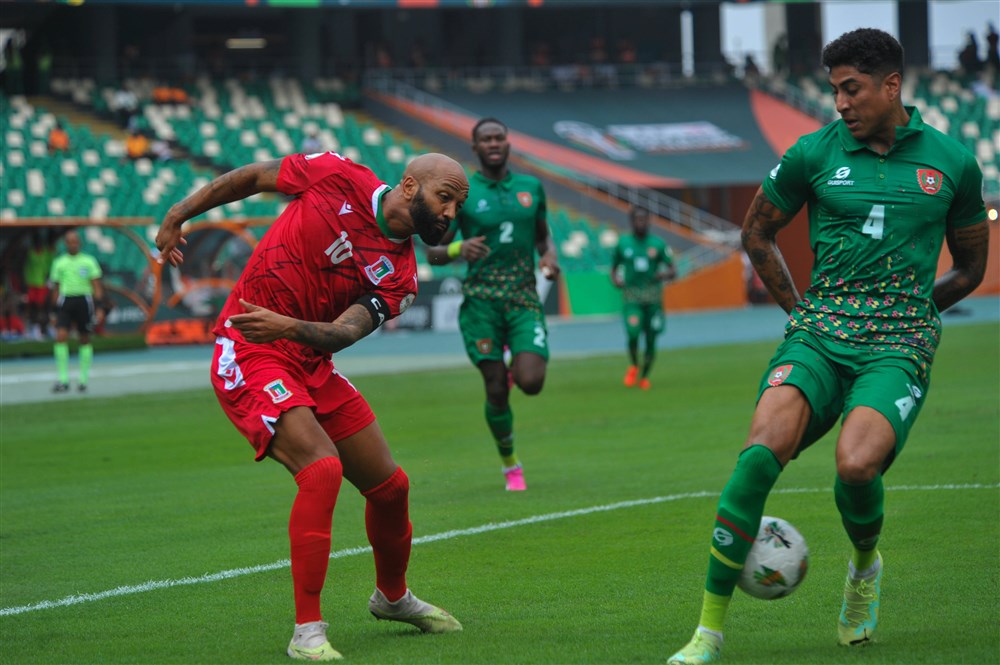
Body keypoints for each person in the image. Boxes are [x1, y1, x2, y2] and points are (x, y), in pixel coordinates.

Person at [667, 28, 989, 664]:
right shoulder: (812, 153)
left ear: (891, 86)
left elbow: (971, 268)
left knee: (856, 465)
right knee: (755, 460)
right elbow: (756, 233)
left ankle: (864, 569)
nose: (840, 102)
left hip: (898, 342)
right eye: (834, 89)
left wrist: (915, 315)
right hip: (820, 333)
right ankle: (707, 634)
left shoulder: (953, 162)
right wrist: (800, 313)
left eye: (852, 88)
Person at [155, 150, 469, 662]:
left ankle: (392, 598)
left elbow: (344, 332)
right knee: (321, 471)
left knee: (391, 488)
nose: (450, 213)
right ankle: (307, 632)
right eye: (445, 198)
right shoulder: (335, 173)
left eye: (457, 206)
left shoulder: (401, 277)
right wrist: (179, 213)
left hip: (309, 359)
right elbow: (254, 177)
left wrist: (289, 327)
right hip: (250, 350)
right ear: (410, 186)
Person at [426, 117, 560, 491]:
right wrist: (459, 247)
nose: (493, 143)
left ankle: (516, 361)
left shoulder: (531, 188)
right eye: (485, 139)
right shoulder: (463, 193)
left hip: (523, 299)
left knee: (531, 382)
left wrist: (549, 256)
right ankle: (510, 465)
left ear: (508, 143)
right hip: (481, 303)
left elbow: (543, 239)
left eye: (499, 137)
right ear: (475, 148)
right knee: (496, 389)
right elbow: (433, 252)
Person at [611, 206, 676, 391]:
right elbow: (613, 268)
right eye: (637, 219)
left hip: (653, 299)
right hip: (632, 298)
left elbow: (673, 269)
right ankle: (634, 364)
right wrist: (616, 280)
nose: (641, 222)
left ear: (649, 221)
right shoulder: (623, 243)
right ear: (632, 222)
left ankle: (645, 376)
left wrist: (663, 274)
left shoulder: (658, 244)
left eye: (644, 219)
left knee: (651, 339)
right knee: (633, 333)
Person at [49, 229, 106, 393]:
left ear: (79, 243)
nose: (73, 244)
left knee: (85, 338)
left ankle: (83, 380)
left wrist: (99, 307)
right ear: (66, 244)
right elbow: (56, 288)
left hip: (84, 301)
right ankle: (63, 379)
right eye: (70, 242)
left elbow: (96, 286)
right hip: (65, 301)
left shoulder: (89, 261)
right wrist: (53, 311)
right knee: (61, 337)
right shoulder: (59, 263)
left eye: (75, 241)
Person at [23, 232, 54, 339]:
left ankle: (44, 327)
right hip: (31, 284)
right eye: (36, 242)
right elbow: (26, 267)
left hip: (42, 284)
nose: (38, 244)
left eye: (40, 242)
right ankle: (31, 327)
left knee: (42, 306)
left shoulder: (46, 253)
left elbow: (50, 264)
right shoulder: (30, 253)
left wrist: (48, 278)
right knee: (31, 307)